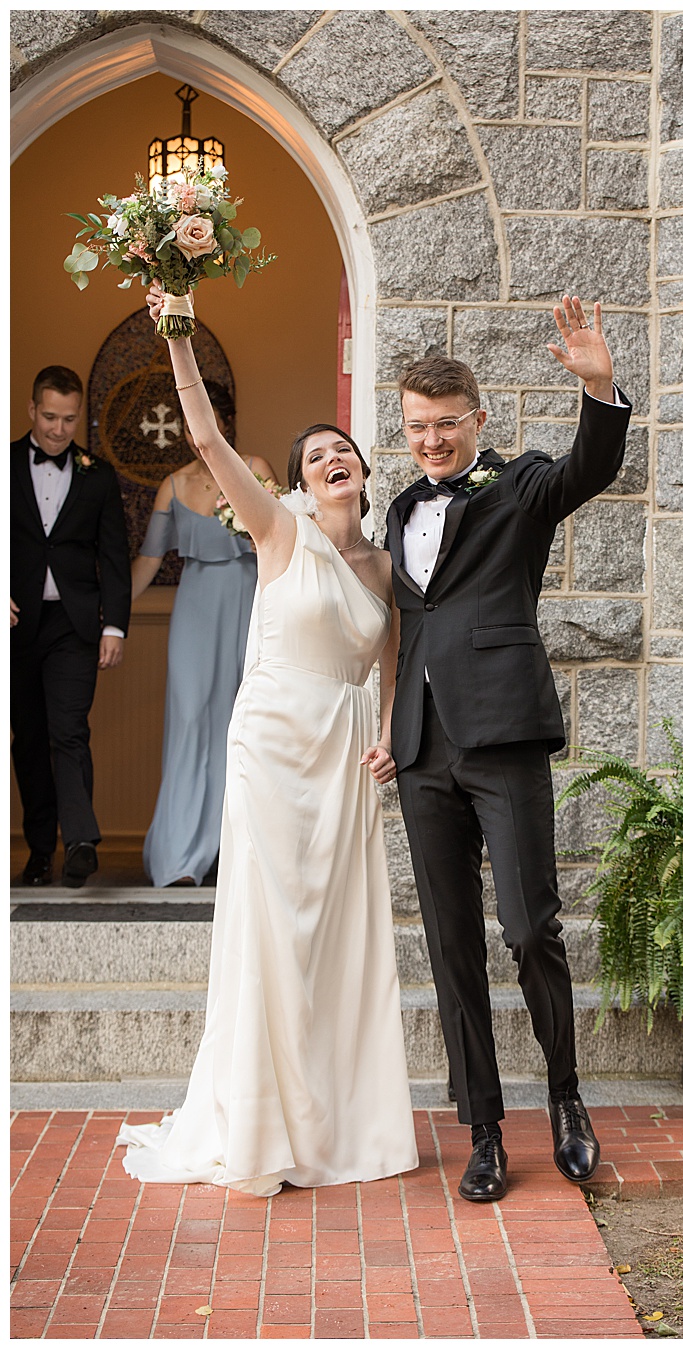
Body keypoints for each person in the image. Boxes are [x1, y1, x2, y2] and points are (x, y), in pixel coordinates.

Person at [118, 285, 416, 1194]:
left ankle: (336, 1119)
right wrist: (178, 330)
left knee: (338, 940)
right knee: (273, 930)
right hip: (274, 746)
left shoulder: (387, 564)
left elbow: (392, 662)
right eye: (317, 453)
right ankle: (257, 1121)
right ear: (298, 479)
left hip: (346, 755)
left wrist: (394, 738)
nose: (333, 457)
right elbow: (205, 439)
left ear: (363, 472)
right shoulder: (278, 530)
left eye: (344, 450)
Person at [384, 314, 629, 1204]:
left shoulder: (519, 486)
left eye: (446, 421)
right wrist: (389, 727)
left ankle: (566, 1100)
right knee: (452, 945)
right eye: (416, 423)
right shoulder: (399, 508)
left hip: (505, 735)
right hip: (422, 750)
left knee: (529, 927)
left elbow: (587, 469)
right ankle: (482, 1129)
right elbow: (405, 627)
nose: (431, 437)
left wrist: (598, 389)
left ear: (476, 420)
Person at [130, 382, 273, 887]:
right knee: (190, 719)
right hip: (194, 608)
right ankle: (182, 854)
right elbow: (149, 559)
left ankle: (238, 855)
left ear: (224, 421)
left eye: (206, 419)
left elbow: (276, 541)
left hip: (246, 602)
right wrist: (106, 616)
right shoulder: (172, 485)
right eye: (190, 422)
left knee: (245, 719)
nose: (196, 433)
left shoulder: (254, 469)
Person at [12, 365, 131, 889]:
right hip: (14, 627)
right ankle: (40, 850)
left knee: (68, 730)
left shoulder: (97, 475)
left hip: (75, 625)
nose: (60, 429)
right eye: (51, 417)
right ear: (32, 410)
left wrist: (116, 627)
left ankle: (80, 841)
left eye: (69, 419)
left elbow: (115, 555)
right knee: (30, 739)